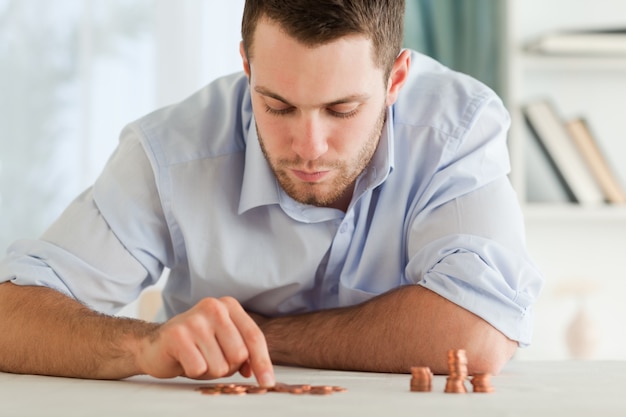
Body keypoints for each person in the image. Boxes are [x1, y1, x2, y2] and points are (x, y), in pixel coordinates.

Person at [0, 0, 543, 388]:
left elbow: (479, 330)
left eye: (342, 110)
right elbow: (10, 316)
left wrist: (252, 338)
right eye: (277, 106)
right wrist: (146, 344)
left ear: (396, 80)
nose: (308, 147)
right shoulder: (170, 153)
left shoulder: (456, 127)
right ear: (246, 65)